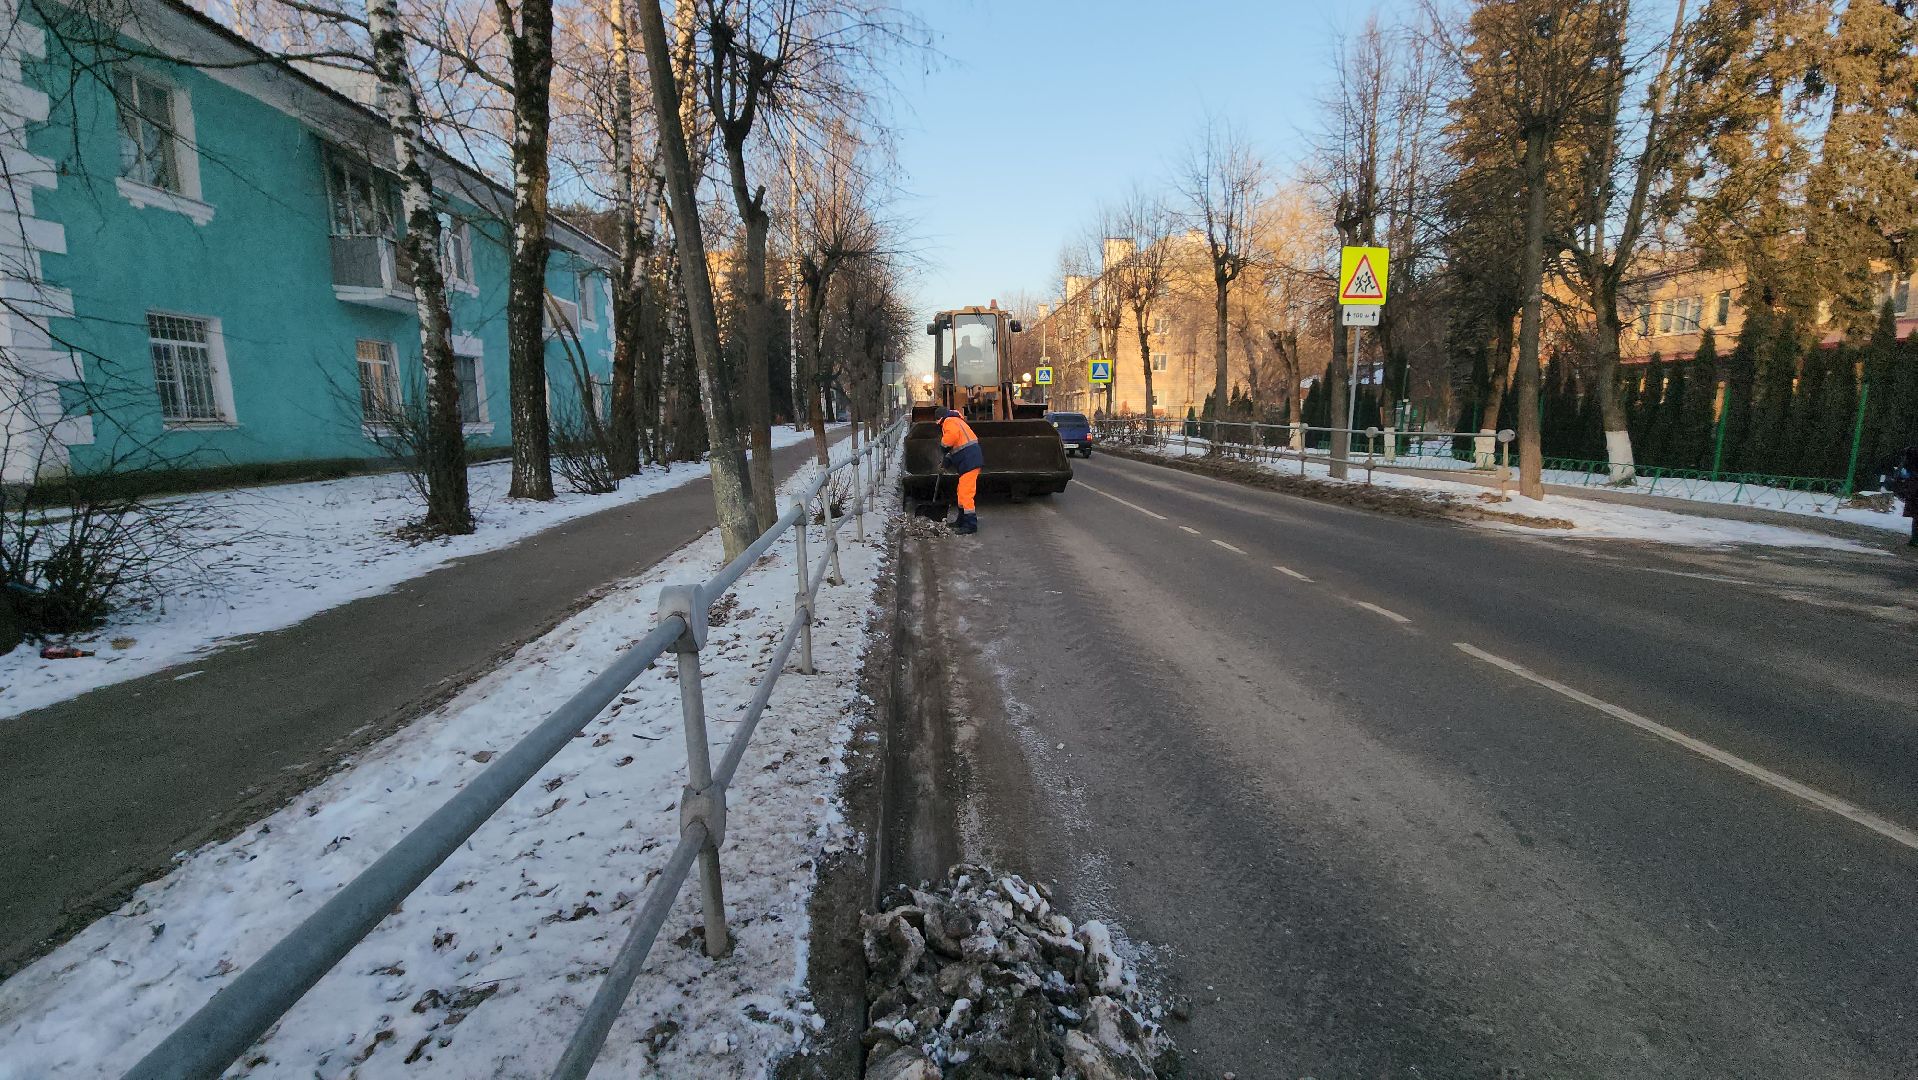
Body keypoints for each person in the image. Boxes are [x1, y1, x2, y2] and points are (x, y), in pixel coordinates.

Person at [938, 407, 983, 534]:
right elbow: (956, 448)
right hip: (969, 460)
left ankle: (970, 525)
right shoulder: (957, 421)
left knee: (966, 493)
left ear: (941, 419)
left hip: (970, 461)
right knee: (961, 491)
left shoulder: (949, 421)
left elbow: (951, 438)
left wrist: (943, 445)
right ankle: (961, 520)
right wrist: (945, 462)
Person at [1885, 445, 1918, 548]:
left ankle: (1915, 539)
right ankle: (1915, 539)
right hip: (1914, 487)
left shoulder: (1911, 454)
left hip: (1913, 487)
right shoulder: (1913, 454)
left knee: (1916, 516)